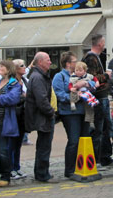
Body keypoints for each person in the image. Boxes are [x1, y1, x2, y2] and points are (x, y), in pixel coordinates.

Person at [53, 52, 92, 179]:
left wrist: (86, 85)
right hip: (69, 113)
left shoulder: (80, 74)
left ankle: (82, 166)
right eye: (74, 61)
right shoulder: (60, 77)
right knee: (73, 140)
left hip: (84, 111)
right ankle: (69, 170)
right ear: (68, 64)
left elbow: (92, 83)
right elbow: (58, 94)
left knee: (84, 139)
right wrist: (74, 97)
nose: (77, 63)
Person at [82, 35, 113, 167]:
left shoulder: (93, 57)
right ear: (100, 44)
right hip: (98, 97)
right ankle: (97, 159)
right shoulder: (91, 58)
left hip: (101, 96)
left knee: (105, 128)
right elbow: (92, 78)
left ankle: (104, 157)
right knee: (99, 129)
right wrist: (107, 75)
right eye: (103, 42)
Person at [25, 52, 55, 182]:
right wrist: (51, 112)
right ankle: (42, 173)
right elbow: (41, 99)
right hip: (42, 116)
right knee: (44, 146)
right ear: (40, 62)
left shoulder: (40, 76)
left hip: (43, 115)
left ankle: (42, 172)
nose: (50, 62)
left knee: (43, 145)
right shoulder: (37, 77)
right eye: (47, 60)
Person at [9, 58, 29, 180]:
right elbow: (13, 97)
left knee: (19, 143)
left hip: (23, 115)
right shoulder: (12, 82)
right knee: (12, 143)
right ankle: (11, 168)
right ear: (15, 69)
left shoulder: (25, 81)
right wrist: (24, 96)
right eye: (22, 65)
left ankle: (17, 167)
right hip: (14, 115)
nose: (24, 67)